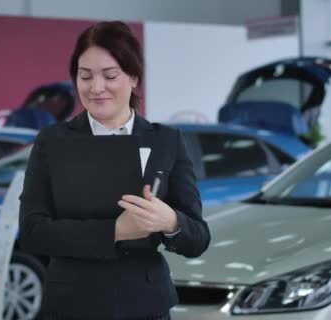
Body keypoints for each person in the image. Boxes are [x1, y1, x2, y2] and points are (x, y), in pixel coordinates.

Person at [18, 21, 210, 320]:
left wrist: (170, 221)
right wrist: (115, 231)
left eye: (110, 75)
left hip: (146, 304)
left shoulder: (166, 140)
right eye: (85, 76)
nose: (96, 88)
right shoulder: (52, 141)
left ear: (133, 77)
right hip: (72, 304)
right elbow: (33, 232)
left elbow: (198, 238)